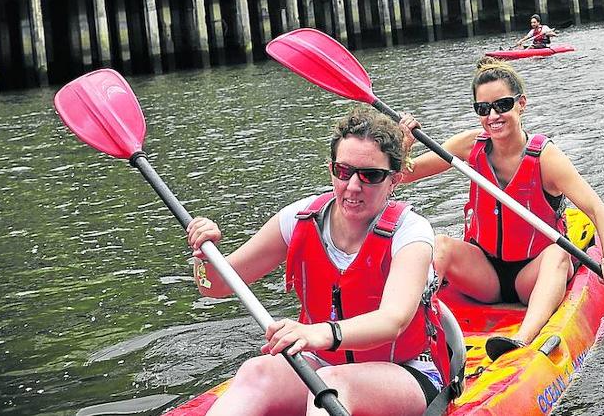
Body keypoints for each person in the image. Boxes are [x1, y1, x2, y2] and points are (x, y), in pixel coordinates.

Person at [184, 107, 462, 416]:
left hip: (405, 371)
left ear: (394, 180)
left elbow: (392, 321)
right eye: (343, 172)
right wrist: (204, 257)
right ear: (331, 169)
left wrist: (317, 333)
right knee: (255, 372)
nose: (353, 186)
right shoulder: (299, 219)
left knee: (332, 386)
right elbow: (215, 287)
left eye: (370, 176)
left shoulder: (411, 232)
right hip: (323, 363)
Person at [397, 57, 604, 361]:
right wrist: (404, 145)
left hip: (531, 275)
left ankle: (522, 339)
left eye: (502, 105)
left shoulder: (545, 158)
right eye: (483, 109)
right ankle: (408, 326)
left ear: (521, 104)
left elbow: (599, 212)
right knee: (440, 245)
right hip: (485, 273)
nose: (493, 115)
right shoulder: (469, 145)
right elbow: (404, 174)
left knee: (560, 252)